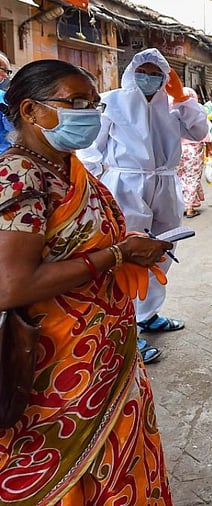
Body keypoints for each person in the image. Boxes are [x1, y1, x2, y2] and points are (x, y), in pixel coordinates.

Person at [0, 59, 175, 505]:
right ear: (30, 111)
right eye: (73, 102)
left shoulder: (69, 168)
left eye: (93, 103)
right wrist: (118, 254)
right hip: (57, 368)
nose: (89, 113)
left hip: (106, 354)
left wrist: (126, 243)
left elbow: (79, 242)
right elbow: (12, 285)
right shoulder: (20, 174)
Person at [78, 48, 209, 336]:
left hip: (164, 184)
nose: (148, 79)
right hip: (125, 185)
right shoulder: (112, 101)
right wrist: (98, 180)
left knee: (162, 248)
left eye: (155, 74)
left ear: (165, 77)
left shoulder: (173, 106)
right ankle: (127, 329)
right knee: (127, 252)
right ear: (131, 73)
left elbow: (199, 133)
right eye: (143, 73)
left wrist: (183, 98)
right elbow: (90, 145)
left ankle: (147, 315)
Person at [176, 87, 206, 218]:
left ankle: (181, 204)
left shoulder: (173, 110)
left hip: (177, 150)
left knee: (180, 178)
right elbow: (204, 133)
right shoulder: (197, 111)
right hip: (193, 150)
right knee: (192, 178)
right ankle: (189, 207)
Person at [0, 51, 14, 153]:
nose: (5, 77)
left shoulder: (4, 98)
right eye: (4, 70)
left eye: (8, 72)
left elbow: (15, 131)